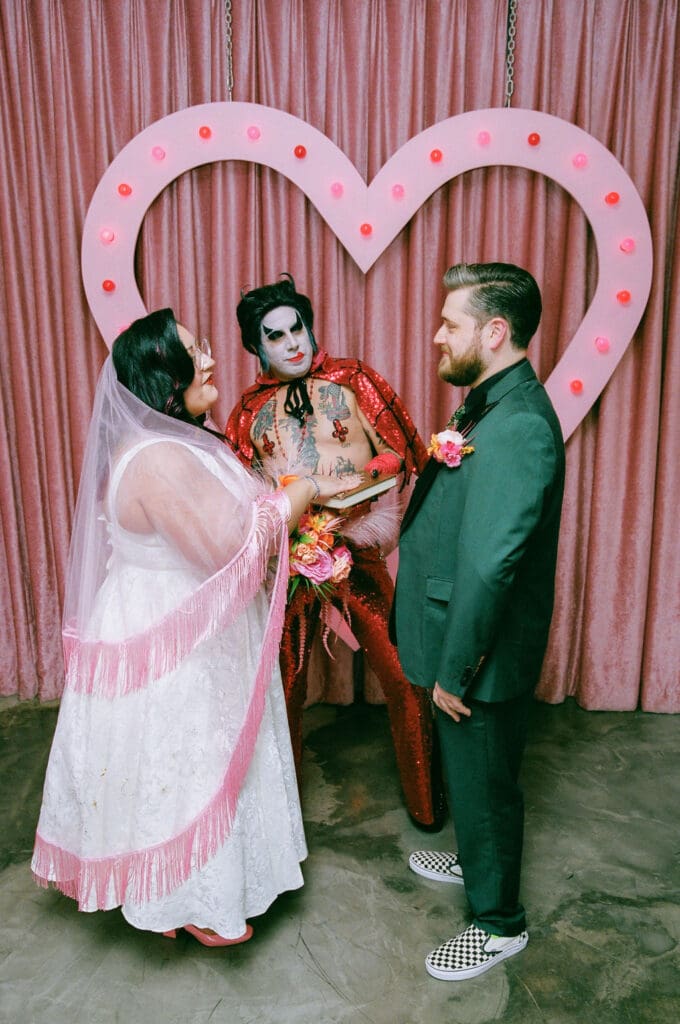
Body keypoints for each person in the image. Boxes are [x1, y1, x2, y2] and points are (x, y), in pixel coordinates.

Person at [31, 309, 356, 946]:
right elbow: (227, 548)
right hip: (173, 632)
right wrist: (300, 494)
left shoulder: (173, 443)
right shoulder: (157, 458)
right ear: (164, 378)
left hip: (180, 618)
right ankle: (188, 898)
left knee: (171, 760)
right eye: (193, 352)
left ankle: (186, 888)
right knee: (182, 760)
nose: (209, 359)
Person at [393, 263, 565, 980]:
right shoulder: (490, 401)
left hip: (477, 656)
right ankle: (475, 859)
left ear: (495, 332)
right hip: (456, 635)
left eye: (450, 324)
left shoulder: (519, 423)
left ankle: (498, 924)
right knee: (473, 773)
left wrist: (457, 669)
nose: (437, 336)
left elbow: (494, 566)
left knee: (489, 780)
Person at [226, 274, 444, 829]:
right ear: (257, 347)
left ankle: (428, 805)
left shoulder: (353, 378)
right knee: (284, 687)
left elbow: (402, 454)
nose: (293, 342)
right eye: (275, 336)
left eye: (297, 328)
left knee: (402, 673)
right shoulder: (248, 414)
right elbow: (243, 497)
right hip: (291, 565)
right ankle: (278, 826)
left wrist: (357, 481)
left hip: (356, 547)